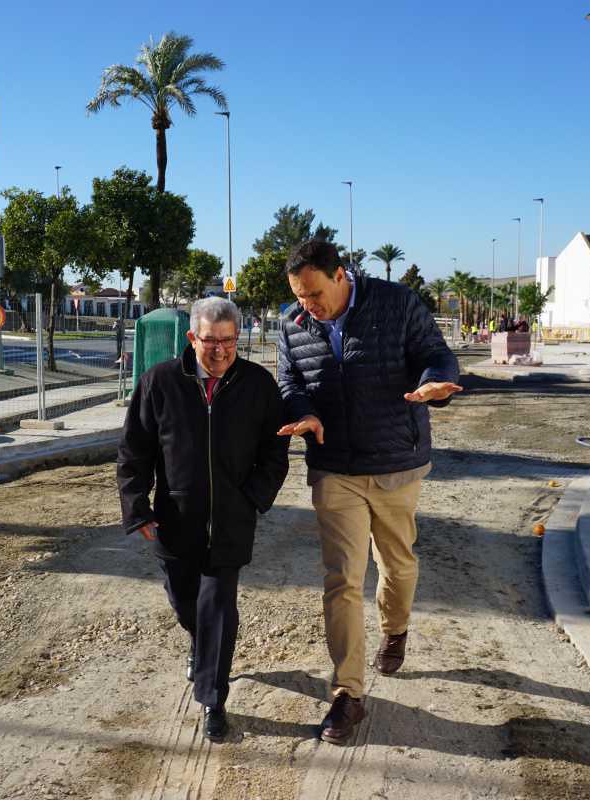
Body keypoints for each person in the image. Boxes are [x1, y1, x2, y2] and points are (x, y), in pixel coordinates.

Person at [276, 239, 461, 745]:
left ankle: (395, 629)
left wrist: (436, 382)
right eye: (299, 296)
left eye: (314, 294)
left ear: (340, 276)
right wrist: (302, 412)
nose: (307, 306)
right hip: (334, 466)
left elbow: (435, 353)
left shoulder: (395, 302)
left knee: (397, 564)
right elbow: (289, 381)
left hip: (396, 460)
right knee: (342, 579)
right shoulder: (294, 324)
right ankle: (348, 694)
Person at [117, 296, 289, 742]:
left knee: (218, 606)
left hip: (231, 522)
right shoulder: (159, 383)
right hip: (175, 518)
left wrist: (254, 496)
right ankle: (201, 644)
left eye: (229, 342)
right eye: (211, 341)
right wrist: (137, 507)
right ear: (192, 338)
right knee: (184, 601)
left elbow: (275, 450)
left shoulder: (257, 385)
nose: (220, 351)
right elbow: (134, 450)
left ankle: (213, 698)